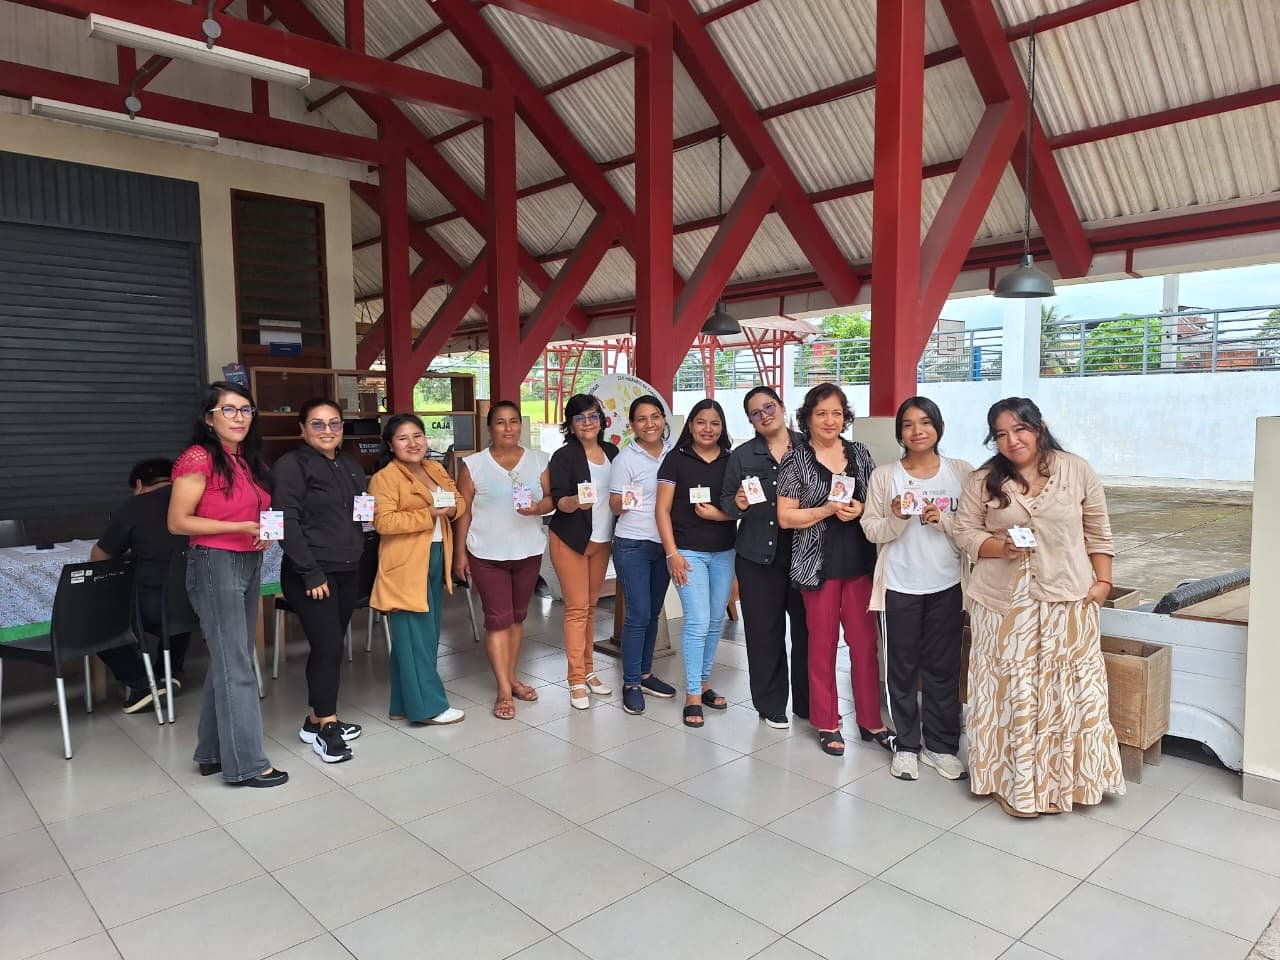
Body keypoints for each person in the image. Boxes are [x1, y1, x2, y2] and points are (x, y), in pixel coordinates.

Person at [953, 397, 1126, 818]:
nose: (1012, 441)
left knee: (1065, 692)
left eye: (1020, 429)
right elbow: (964, 531)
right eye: (1001, 434)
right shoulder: (983, 480)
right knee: (1009, 691)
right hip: (1002, 604)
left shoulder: (1076, 470)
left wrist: (1103, 583)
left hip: (1067, 599)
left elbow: (1098, 531)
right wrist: (1000, 547)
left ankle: (1063, 784)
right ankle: (1010, 783)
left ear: (1040, 427)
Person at [169, 381, 286, 788]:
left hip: (248, 559)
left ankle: (212, 753)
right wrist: (237, 527)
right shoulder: (198, 457)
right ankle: (247, 765)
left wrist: (264, 531)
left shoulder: (247, 459)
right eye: (229, 410)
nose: (240, 418)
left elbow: (256, 509)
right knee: (237, 661)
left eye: (246, 410)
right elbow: (178, 521)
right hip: (214, 562)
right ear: (209, 418)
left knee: (228, 657)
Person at [862, 397, 974, 782]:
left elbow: (974, 530)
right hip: (899, 585)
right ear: (900, 433)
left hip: (948, 585)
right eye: (908, 424)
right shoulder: (885, 476)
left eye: (925, 422)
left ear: (938, 427)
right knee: (901, 669)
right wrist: (895, 517)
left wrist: (944, 520)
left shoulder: (961, 472)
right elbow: (871, 529)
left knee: (943, 669)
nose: (917, 431)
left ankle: (940, 747)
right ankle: (907, 745)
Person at [776, 382, 885, 757]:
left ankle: (871, 720)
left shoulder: (860, 453)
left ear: (845, 417)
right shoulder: (795, 460)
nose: (830, 420)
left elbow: (876, 502)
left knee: (865, 645)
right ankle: (827, 722)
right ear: (807, 418)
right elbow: (785, 517)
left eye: (837, 413)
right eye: (821, 413)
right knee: (821, 646)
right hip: (817, 567)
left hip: (859, 564)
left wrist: (860, 509)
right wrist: (825, 510)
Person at [271, 399, 368, 763]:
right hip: (311, 574)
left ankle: (314, 720)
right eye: (317, 424)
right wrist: (310, 572)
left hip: (347, 569)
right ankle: (328, 726)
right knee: (328, 646)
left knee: (331, 645)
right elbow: (285, 521)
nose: (327, 430)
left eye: (334, 423)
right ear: (302, 429)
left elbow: (361, 514)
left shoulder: (350, 465)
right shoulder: (291, 466)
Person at [453, 400, 551, 720]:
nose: (508, 428)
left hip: (528, 550)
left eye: (513, 421)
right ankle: (504, 690)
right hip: (486, 554)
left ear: (521, 425)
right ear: (489, 428)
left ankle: (511, 678)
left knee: (517, 618)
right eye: (500, 422)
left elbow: (551, 499)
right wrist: (459, 554)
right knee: (498, 619)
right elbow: (463, 512)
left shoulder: (539, 460)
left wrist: (537, 508)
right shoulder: (473, 465)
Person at [369, 414, 466, 727]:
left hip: (435, 556)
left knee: (420, 634)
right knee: (416, 636)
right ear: (390, 445)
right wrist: (429, 513)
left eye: (417, 436)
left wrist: (454, 508)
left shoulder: (434, 469)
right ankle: (428, 707)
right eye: (403, 438)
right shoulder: (385, 478)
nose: (412, 443)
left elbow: (459, 499)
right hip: (406, 564)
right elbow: (384, 522)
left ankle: (403, 703)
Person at [720, 386, 809, 729]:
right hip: (757, 556)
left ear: (782, 407)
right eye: (755, 413)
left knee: (808, 632)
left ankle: (808, 703)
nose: (764, 415)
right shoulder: (742, 456)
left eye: (768, 407)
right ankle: (771, 704)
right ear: (751, 421)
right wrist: (738, 503)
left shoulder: (809, 447)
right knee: (763, 633)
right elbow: (726, 501)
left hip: (804, 555)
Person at [656, 399, 735, 729]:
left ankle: (702, 683)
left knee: (715, 620)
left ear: (722, 427)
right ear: (690, 425)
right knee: (698, 621)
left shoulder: (731, 460)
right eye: (701, 422)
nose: (707, 429)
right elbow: (661, 510)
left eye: (715, 423)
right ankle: (691, 695)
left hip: (725, 551)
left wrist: (721, 515)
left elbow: (741, 506)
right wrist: (672, 554)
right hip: (687, 553)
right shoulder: (675, 459)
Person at [91, 457, 187, 714]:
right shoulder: (196, 502)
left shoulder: (136, 506)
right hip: (199, 603)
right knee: (179, 590)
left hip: (154, 606)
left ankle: (142, 685)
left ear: (139, 484)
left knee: (99, 621)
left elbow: (100, 556)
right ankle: (169, 673)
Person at [546, 394, 619, 710]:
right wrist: (575, 502)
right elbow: (558, 501)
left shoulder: (613, 453)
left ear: (601, 420)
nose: (587, 423)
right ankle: (575, 679)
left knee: (590, 608)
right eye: (579, 418)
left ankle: (589, 671)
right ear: (570, 425)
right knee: (576, 609)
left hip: (602, 541)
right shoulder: (564, 456)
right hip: (570, 540)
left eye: (592, 416)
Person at [608, 395, 678, 716]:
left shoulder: (674, 454)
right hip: (632, 543)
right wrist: (628, 499)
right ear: (632, 425)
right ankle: (631, 683)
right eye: (641, 419)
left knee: (652, 613)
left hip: (664, 544)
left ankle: (646, 675)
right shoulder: (626, 459)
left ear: (663, 419)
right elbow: (614, 505)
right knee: (638, 614)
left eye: (655, 417)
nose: (650, 424)